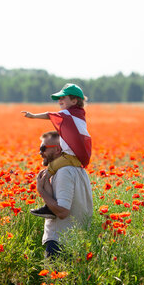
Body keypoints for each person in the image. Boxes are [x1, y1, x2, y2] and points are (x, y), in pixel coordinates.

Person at [22, 83, 92, 219]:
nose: (60, 101)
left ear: (74, 101)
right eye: (59, 98)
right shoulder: (79, 114)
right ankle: (51, 206)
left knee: (46, 174)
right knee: (48, 173)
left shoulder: (68, 114)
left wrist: (33, 116)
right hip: (74, 156)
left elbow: (50, 115)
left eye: (63, 98)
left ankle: (50, 208)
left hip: (71, 156)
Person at [35, 131, 93, 258]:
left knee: (54, 277)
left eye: (43, 148)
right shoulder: (77, 168)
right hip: (76, 242)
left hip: (60, 243)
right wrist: (47, 186)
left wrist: (41, 190)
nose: (40, 152)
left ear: (57, 149)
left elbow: (62, 211)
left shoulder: (64, 172)